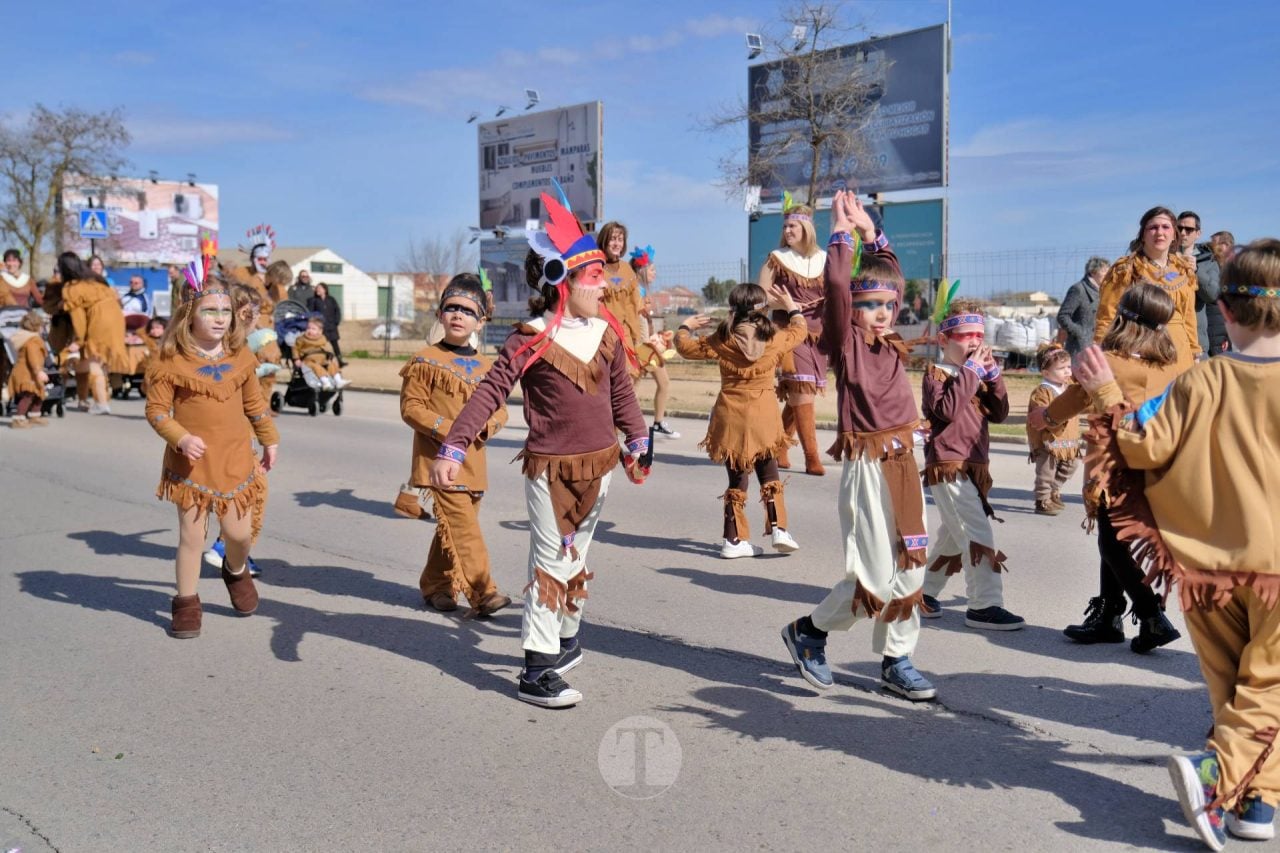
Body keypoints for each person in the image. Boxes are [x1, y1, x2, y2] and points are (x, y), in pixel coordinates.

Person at [1073, 239, 1280, 849]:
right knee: (1268, 693)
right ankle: (1215, 770)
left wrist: (1108, 394)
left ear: (1228, 313)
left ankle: (1254, 808)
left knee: (1234, 691)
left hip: (1205, 572)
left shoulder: (1202, 380)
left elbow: (1142, 445)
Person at [431, 189, 649, 710]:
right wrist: (454, 446)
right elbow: (489, 391)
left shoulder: (606, 331)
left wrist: (639, 437)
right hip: (550, 472)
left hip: (601, 466)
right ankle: (536, 665)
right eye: (593, 277)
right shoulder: (528, 336)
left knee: (576, 558)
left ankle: (567, 639)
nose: (604, 285)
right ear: (562, 281)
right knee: (549, 563)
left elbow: (621, 393)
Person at [779, 190, 936, 701]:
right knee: (872, 574)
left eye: (888, 306)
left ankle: (897, 659)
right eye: (869, 308)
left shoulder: (889, 340)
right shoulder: (844, 340)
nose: (881, 314)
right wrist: (841, 234)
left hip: (904, 462)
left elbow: (891, 277)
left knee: (913, 561)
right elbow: (840, 285)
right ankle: (810, 632)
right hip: (868, 465)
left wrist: (874, 233)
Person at [1031, 285, 1183, 652]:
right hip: (1155, 464)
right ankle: (1109, 615)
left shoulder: (1109, 361)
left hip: (1113, 467)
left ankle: (1151, 617)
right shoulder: (1170, 363)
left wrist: (1045, 417)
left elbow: (1077, 396)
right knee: (1113, 538)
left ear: (1123, 318)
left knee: (1111, 542)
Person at [144, 259, 279, 639]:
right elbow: (156, 411)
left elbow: (255, 406)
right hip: (191, 466)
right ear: (190, 314)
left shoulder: (241, 357)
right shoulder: (170, 360)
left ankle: (235, 571)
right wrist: (180, 438)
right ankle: (186, 602)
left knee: (238, 535)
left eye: (225, 311)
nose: (220, 318)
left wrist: (269, 439)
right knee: (191, 536)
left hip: (236, 460)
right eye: (210, 311)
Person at [400, 274, 511, 614]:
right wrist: (451, 429)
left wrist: (485, 427)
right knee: (464, 526)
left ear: (481, 320)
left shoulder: (486, 366)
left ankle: (436, 585)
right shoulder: (425, 359)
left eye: (467, 310)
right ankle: (483, 591)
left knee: (452, 525)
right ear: (440, 314)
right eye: (451, 308)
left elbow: (501, 410)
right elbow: (411, 408)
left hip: (473, 460)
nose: (458, 315)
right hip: (439, 461)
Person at [674, 282, 806, 558]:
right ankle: (779, 529)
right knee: (769, 472)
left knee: (737, 478)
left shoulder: (722, 339)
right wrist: (791, 306)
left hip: (730, 415)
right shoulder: (776, 338)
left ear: (734, 308)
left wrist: (686, 325)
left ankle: (733, 541)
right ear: (762, 310)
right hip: (764, 414)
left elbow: (685, 348)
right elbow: (800, 331)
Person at [916, 302, 1023, 630]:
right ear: (944, 341)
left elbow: (1000, 412)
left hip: (974, 464)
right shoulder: (936, 375)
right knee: (976, 532)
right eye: (965, 336)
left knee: (953, 535)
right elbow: (946, 410)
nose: (974, 342)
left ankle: (923, 593)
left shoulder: (974, 374)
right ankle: (984, 604)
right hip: (948, 465)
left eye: (979, 335)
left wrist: (993, 376)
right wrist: (972, 373)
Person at [758, 199, 828, 475]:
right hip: (788, 331)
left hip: (818, 332)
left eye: (793, 226)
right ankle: (812, 457)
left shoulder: (824, 259)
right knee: (801, 388)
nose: (787, 230)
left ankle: (780, 446)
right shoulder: (775, 258)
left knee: (803, 392)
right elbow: (761, 296)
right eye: (785, 225)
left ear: (807, 229)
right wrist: (788, 305)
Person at [1094, 206, 1200, 370]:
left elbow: (1189, 317)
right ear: (1143, 235)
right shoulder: (1126, 269)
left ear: (1174, 235)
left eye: (1165, 227)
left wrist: (1194, 352)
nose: (1160, 232)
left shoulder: (1183, 269)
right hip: (1140, 350)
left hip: (1180, 353)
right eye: (1153, 227)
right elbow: (1107, 314)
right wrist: (1101, 349)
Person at [56, 252, 129, 415]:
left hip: (98, 319)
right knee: (97, 360)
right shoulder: (96, 281)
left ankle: (101, 402)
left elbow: (79, 317)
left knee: (93, 359)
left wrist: (80, 340)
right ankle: (90, 399)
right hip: (116, 317)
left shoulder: (72, 287)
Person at [628, 245, 680, 438]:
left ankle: (646, 424)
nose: (655, 273)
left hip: (645, 346)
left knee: (635, 387)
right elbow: (637, 322)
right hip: (643, 348)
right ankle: (642, 424)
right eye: (652, 269)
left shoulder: (641, 290)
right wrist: (647, 344)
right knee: (650, 384)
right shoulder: (636, 290)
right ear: (642, 269)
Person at [1025, 344, 1080, 515]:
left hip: (1067, 440)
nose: (1067, 371)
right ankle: (1042, 500)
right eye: (1061, 368)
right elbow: (1040, 411)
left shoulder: (1069, 387)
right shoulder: (1042, 391)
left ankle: (1054, 490)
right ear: (1046, 373)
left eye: (1068, 367)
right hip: (1047, 439)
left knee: (1071, 465)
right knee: (1045, 472)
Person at [1176, 211, 1222, 359]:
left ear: (1198, 233)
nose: (1183, 233)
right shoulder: (1162, 257)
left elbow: (1212, 295)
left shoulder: (1209, 261)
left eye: (1189, 229)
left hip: (1196, 341)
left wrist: (1197, 271)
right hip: (1166, 341)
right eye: (1179, 228)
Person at [7, 310, 50, 429]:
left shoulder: (27, 338)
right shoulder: (32, 341)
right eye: (42, 326)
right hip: (27, 373)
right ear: (37, 326)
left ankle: (34, 415)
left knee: (38, 394)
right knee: (29, 395)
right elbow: (33, 358)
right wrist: (39, 371)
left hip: (28, 371)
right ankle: (18, 419)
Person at [1057, 257, 1109, 355]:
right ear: (1093, 272)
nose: (1107, 274)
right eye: (1104, 271)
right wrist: (1080, 333)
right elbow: (1062, 316)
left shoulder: (1102, 291)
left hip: (1098, 345)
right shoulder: (1078, 289)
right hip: (1080, 347)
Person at [293, 314, 350, 390]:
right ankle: (325, 382)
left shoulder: (322, 338)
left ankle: (338, 380)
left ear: (320, 331)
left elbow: (326, 349)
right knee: (317, 367)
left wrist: (330, 356)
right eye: (308, 328)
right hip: (309, 359)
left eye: (313, 329)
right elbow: (295, 348)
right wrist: (296, 359)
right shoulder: (301, 339)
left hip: (322, 358)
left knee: (331, 365)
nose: (310, 330)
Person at [1207, 230, 1235, 355]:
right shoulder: (1210, 264)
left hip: (1218, 331)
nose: (1211, 247)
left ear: (1227, 245)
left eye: (1214, 244)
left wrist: (1227, 336)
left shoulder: (1232, 271)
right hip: (1211, 328)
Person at [307, 282, 344, 367]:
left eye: (319, 288)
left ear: (325, 290)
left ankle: (340, 361)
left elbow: (337, 311)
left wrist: (336, 321)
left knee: (335, 345)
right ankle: (324, 361)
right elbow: (311, 313)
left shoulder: (331, 299)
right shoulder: (313, 300)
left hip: (332, 326)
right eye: (316, 288)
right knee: (321, 345)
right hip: (321, 327)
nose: (317, 290)